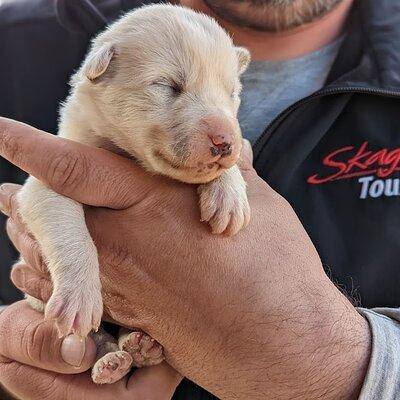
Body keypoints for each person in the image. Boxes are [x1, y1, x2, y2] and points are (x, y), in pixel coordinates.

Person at [1, 0, 400, 398]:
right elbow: (44, 201)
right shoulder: (15, 46)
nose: (224, 131)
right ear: (101, 70)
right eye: (169, 88)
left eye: (230, 94)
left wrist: (346, 368)